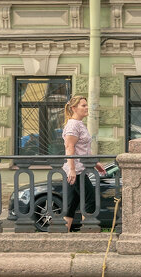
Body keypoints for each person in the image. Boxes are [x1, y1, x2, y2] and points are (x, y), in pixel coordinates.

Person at [62, 95, 106, 232]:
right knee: (90, 199)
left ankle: (62, 234)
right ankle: (88, 233)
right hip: (77, 170)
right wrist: (72, 169)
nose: (87, 108)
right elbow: (70, 148)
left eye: (86, 105)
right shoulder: (73, 125)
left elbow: (83, 150)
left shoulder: (79, 124)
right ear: (74, 108)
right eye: (83, 105)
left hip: (79, 169)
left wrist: (95, 163)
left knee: (71, 204)